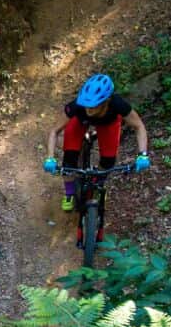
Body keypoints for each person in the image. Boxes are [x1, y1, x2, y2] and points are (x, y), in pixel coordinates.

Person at [43, 74, 151, 219]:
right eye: (86, 104)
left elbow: (139, 126)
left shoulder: (118, 104)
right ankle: (69, 193)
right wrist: (50, 158)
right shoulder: (77, 106)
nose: (88, 109)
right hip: (79, 122)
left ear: (106, 101)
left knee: (108, 162)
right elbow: (55, 131)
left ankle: (98, 184)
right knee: (69, 160)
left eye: (93, 105)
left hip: (109, 124)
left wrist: (143, 154)